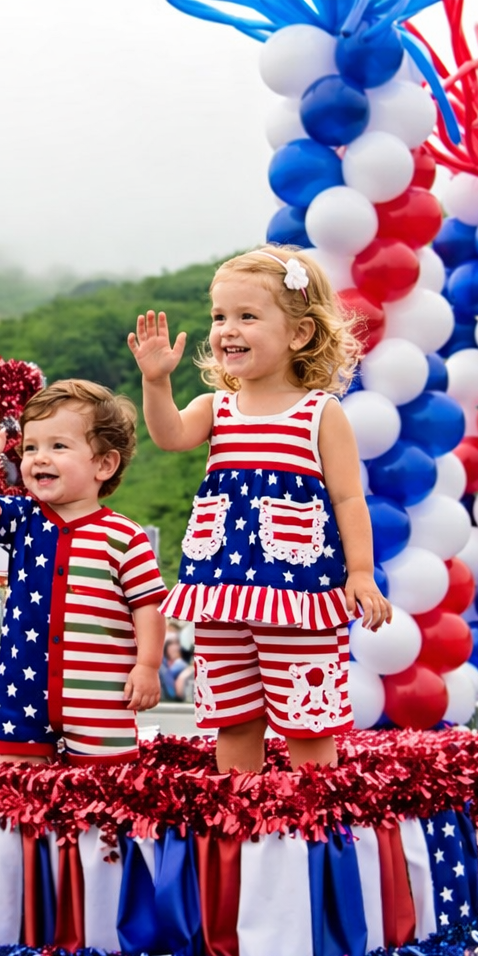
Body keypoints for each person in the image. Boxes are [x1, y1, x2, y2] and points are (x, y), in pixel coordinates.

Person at [128, 245, 392, 773]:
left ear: (300, 334)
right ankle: (240, 822)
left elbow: (348, 499)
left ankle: (312, 821)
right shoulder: (216, 407)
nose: (227, 329)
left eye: (247, 316)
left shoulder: (320, 413)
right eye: (219, 316)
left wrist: (360, 571)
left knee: (307, 718)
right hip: (223, 591)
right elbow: (170, 435)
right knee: (234, 716)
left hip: (299, 593)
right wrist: (156, 382)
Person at [0, 379, 167, 764]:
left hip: (101, 695)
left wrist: (148, 665)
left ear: (104, 464)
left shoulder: (125, 537)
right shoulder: (22, 519)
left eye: (58, 446)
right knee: (18, 793)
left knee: (102, 797)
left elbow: (148, 606)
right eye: (31, 447)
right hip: (23, 690)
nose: (38, 457)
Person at [158, 634, 188, 702]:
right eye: (171, 645)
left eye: (176, 645)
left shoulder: (182, 665)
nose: (174, 648)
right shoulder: (162, 665)